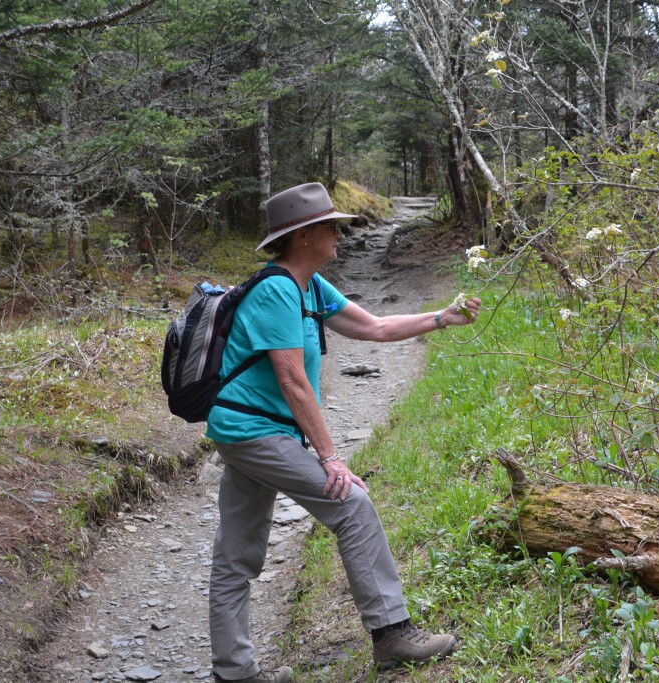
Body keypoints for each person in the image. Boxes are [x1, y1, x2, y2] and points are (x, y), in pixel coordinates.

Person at [206, 182, 482, 683]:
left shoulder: (309, 285)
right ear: (305, 234)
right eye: (333, 225)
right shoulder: (275, 290)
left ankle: (235, 673)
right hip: (252, 431)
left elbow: (374, 327)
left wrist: (443, 318)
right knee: (351, 503)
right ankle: (392, 634)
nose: (340, 233)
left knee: (236, 552)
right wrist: (331, 457)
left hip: (254, 430)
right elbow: (291, 380)